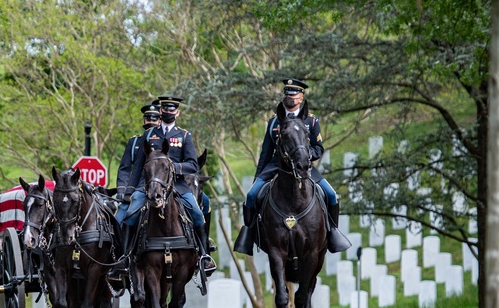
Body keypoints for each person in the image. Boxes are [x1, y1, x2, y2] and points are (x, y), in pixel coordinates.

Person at [233, 78, 350, 254]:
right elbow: (266, 152)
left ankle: (333, 233)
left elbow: (318, 148)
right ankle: (249, 234)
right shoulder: (274, 122)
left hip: (304, 165)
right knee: (251, 196)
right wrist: (258, 176)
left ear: (301, 98)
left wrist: (306, 156)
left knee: (332, 195)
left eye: (294, 94)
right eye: (287, 93)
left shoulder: (311, 121)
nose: (290, 97)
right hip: (276, 166)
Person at [114, 96, 216, 275]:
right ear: (161, 111)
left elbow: (192, 165)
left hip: (177, 185)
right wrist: (130, 191)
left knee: (198, 215)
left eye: (172, 109)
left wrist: (173, 167)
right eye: (165, 109)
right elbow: (138, 166)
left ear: (177, 112)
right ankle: (124, 258)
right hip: (149, 186)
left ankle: (204, 256)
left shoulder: (184, 136)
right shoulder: (149, 135)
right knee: (130, 216)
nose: (168, 112)